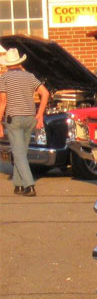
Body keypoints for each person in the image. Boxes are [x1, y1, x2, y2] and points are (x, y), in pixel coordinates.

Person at [0, 47, 49, 197]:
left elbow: (3, 102)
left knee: (18, 152)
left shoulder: (4, 78)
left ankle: (29, 185)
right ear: (19, 63)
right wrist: (40, 115)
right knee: (21, 151)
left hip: (14, 118)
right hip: (30, 118)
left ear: (8, 64)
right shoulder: (30, 76)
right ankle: (18, 185)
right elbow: (45, 93)